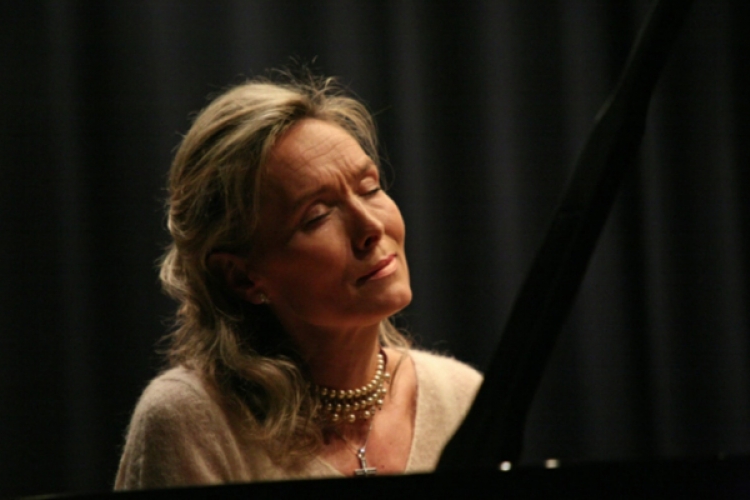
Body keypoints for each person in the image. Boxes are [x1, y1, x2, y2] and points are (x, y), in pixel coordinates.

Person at [114, 73, 482, 489]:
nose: (371, 227)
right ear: (242, 277)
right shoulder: (191, 421)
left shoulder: (463, 399)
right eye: (317, 216)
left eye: (369, 188)